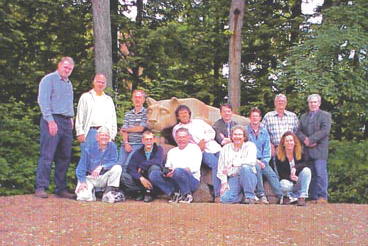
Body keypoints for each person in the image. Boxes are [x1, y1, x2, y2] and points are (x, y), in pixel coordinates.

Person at [35, 56, 76, 199]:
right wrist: (50, 121)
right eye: (65, 67)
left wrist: (71, 118)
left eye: (70, 69)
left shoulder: (68, 84)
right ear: (59, 65)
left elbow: (68, 102)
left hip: (66, 122)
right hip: (52, 119)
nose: (67, 70)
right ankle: (41, 187)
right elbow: (43, 101)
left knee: (64, 156)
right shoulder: (49, 79)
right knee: (47, 154)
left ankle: (61, 189)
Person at [172, 105, 221, 201]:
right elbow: (181, 142)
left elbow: (211, 132)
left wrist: (204, 140)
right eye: (181, 114)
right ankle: (217, 194)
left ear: (189, 114)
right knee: (216, 164)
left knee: (227, 163)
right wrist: (197, 147)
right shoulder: (177, 129)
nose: (184, 115)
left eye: (185, 113)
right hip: (200, 152)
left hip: (214, 147)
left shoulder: (198, 122)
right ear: (178, 117)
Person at [149, 128, 202, 203]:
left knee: (178, 171)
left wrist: (179, 171)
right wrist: (168, 173)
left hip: (190, 179)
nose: (181, 139)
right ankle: (174, 194)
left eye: (184, 137)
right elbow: (168, 166)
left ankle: (186, 195)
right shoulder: (172, 151)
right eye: (179, 137)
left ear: (188, 137)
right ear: (176, 138)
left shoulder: (194, 149)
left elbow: (195, 168)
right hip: (174, 178)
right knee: (153, 174)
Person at [296, 94, 331, 204]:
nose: (312, 104)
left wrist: (311, 140)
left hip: (319, 149)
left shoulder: (325, 115)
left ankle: (322, 197)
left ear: (319, 103)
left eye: (315, 102)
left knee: (321, 173)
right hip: (307, 151)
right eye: (311, 102)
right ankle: (314, 197)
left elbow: (325, 131)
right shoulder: (304, 117)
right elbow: (298, 131)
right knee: (312, 174)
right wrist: (305, 140)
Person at [75, 127, 124, 203]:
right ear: (97, 137)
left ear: (109, 137)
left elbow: (114, 161)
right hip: (90, 177)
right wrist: (82, 182)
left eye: (106, 135)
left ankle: (109, 192)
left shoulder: (112, 146)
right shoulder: (89, 148)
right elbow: (81, 167)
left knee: (117, 168)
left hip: (103, 177)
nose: (104, 137)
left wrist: (101, 167)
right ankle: (91, 192)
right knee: (83, 197)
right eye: (102, 135)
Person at [246, 107, 282, 204]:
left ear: (260, 118)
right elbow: (245, 149)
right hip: (250, 160)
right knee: (257, 169)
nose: (255, 118)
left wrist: (264, 162)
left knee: (271, 174)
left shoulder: (264, 131)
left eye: (257, 116)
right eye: (253, 116)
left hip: (263, 160)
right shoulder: (246, 131)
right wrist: (256, 161)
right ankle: (261, 195)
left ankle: (281, 195)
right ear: (250, 118)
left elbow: (267, 149)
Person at [75, 74, 117, 154]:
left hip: (105, 133)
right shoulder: (86, 97)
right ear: (94, 82)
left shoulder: (108, 100)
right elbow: (80, 116)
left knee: (102, 160)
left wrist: (112, 136)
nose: (100, 84)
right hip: (90, 132)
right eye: (98, 82)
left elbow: (113, 119)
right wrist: (80, 132)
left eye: (103, 83)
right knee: (88, 159)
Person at [217, 125, 258, 204]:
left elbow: (252, 161)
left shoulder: (250, 146)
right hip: (234, 177)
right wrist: (224, 183)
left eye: (240, 135)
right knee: (224, 199)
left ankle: (250, 196)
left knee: (245, 168)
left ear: (244, 137)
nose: (237, 137)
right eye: (235, 134)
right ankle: (241, 196)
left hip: (248, 176)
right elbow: (221, 168)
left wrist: (234, 163)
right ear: (231, 137)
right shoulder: (224, 149)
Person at [121, 130, 163, 202]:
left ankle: (149, 192)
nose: (149, 141)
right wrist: (141, 178)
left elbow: (157, 161)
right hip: (141, 179)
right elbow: (130, 168)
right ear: (142, 141)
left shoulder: (158, 149)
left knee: (154, 167)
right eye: (146, 139)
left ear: (154, 140)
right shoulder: (138, 152)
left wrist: (142, 166)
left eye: (151, 139)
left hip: (152, 178)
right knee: (124, 176)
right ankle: (140, 192)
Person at [261, 94, 299, 173]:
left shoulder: (292, 116)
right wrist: (270, 145)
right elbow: (263, 133)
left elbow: (297, 133)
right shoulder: (268, 116)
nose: (280, 102)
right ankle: (278, 184)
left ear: (286, 103)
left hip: (289, 149)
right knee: (277, 172)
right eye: (278, 101)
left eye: (282, 101)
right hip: (275, 148)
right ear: (275, 103)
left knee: (290, 171)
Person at [276, 131, 311, 206]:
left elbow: (306, 164)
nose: (289, 143)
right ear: (283, 143)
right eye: (287, 141)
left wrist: (295, 168)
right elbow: (280, 174)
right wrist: (290, 177)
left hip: (299, 180)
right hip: (288, 183)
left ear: (295, 142)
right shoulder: (278, 157)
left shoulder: (301, 153)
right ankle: (287, 196)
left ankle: (302, 197)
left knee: (307, 171)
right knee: (283, 184)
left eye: (291, 140)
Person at [119, 90, 147, 172]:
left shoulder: (146, 113)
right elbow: (123, 132)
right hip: (126, 144)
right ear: (132, 99)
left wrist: (126, 129)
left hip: (138, 144)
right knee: (118, 166)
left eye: (139, 97)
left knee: (127, 165)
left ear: (143, 100)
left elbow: (141, 128)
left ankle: (126, 184)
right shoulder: (128, 114)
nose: (137, 99)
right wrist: (126, 143)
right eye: (135, 97)